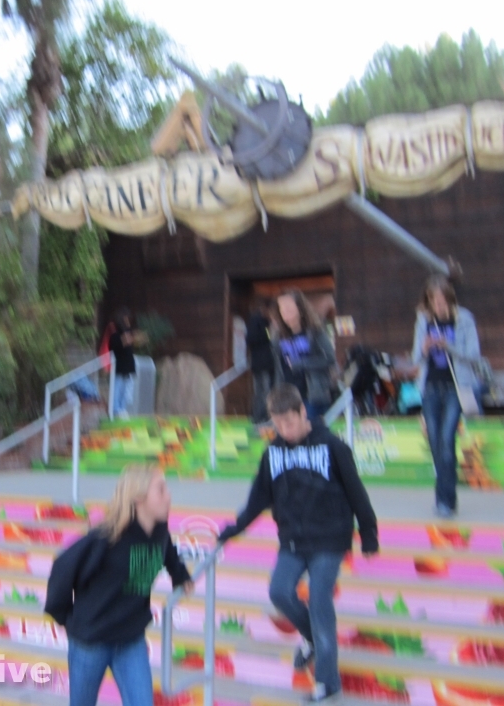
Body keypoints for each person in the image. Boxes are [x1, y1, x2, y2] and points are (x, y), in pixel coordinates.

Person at [217, 383, 379, 704]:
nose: (284, 430)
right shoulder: (273, 454)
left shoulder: (333, 446)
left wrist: (369, 532)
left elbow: (356, 491)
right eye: (277, 425)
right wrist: (234, 528)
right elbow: (257, 499)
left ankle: (327, 682)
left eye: (289, 423)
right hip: (292, 540)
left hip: (330, 539)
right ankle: (311, 637)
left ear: (303, 412)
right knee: (279, 591)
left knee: (320, 598)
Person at [45, 464, 193, 706]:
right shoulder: (106, 537)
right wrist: (64, 616)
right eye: (161, 490)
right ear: (138, 498)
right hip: (91, 641)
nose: (169, 496)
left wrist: (181, 576)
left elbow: (168, 552)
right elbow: (63, 567)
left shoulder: (159, 531)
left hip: (131, 640)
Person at [411, 275, 481, 519]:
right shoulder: (423, 320)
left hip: (455, 387)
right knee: (434, 443)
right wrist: (424, 348)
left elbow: (474, 354)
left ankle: (446, 501)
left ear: (450, 300)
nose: (438, 306)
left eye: (442, 301)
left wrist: (447, 345)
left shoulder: (464, 319)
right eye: (433, 302)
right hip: (430, 387)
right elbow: (414, 359)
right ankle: (443, 497)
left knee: (446, 441)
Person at [274, 290, 337, 423]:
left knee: (309, 435)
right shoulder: (278, 337)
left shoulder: (315, 332)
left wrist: (301, 363)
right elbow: (279, 368)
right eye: (282, 308)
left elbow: (330, 358)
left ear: (300, 309)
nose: (285, 312)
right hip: (288, 397)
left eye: (289, 307)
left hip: (312, 396)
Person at [247, 298, 277, 424]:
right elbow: (251, 339)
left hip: (269, 363)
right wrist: (268, 333)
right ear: (264, 308)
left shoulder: (267, 321)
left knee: (269, 390)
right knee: (262, 391)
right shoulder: (256, 320)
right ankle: (258, 417)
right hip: (260, 363)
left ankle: (267, 416)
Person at [108, 309, 137, 418]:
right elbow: (115, 346)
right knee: (117, 390)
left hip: (128, 367)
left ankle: (122, 409)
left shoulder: (128, 332)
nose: (128, 321)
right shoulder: (115, 335)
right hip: (120, 367)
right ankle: (115, 410)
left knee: (127, 392)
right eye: (126, 319)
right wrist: (125, 340)